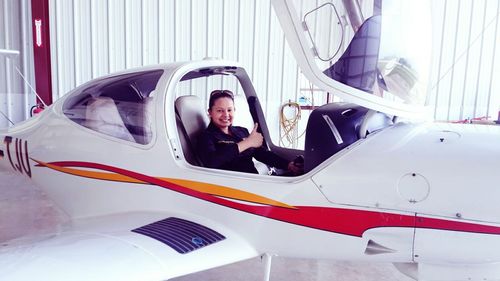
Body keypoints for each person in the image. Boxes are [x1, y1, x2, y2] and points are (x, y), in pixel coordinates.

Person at [197, 90, 303, 175]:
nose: (226, 115)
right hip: (231, 187)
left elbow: (262, 154)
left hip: (253, 182)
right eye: (220, 111)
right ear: (210, 112)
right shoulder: (206, 136)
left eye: (229, 110)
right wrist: (247, 143)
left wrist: (288, 165)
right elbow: (211, 162)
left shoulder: (241, 131)